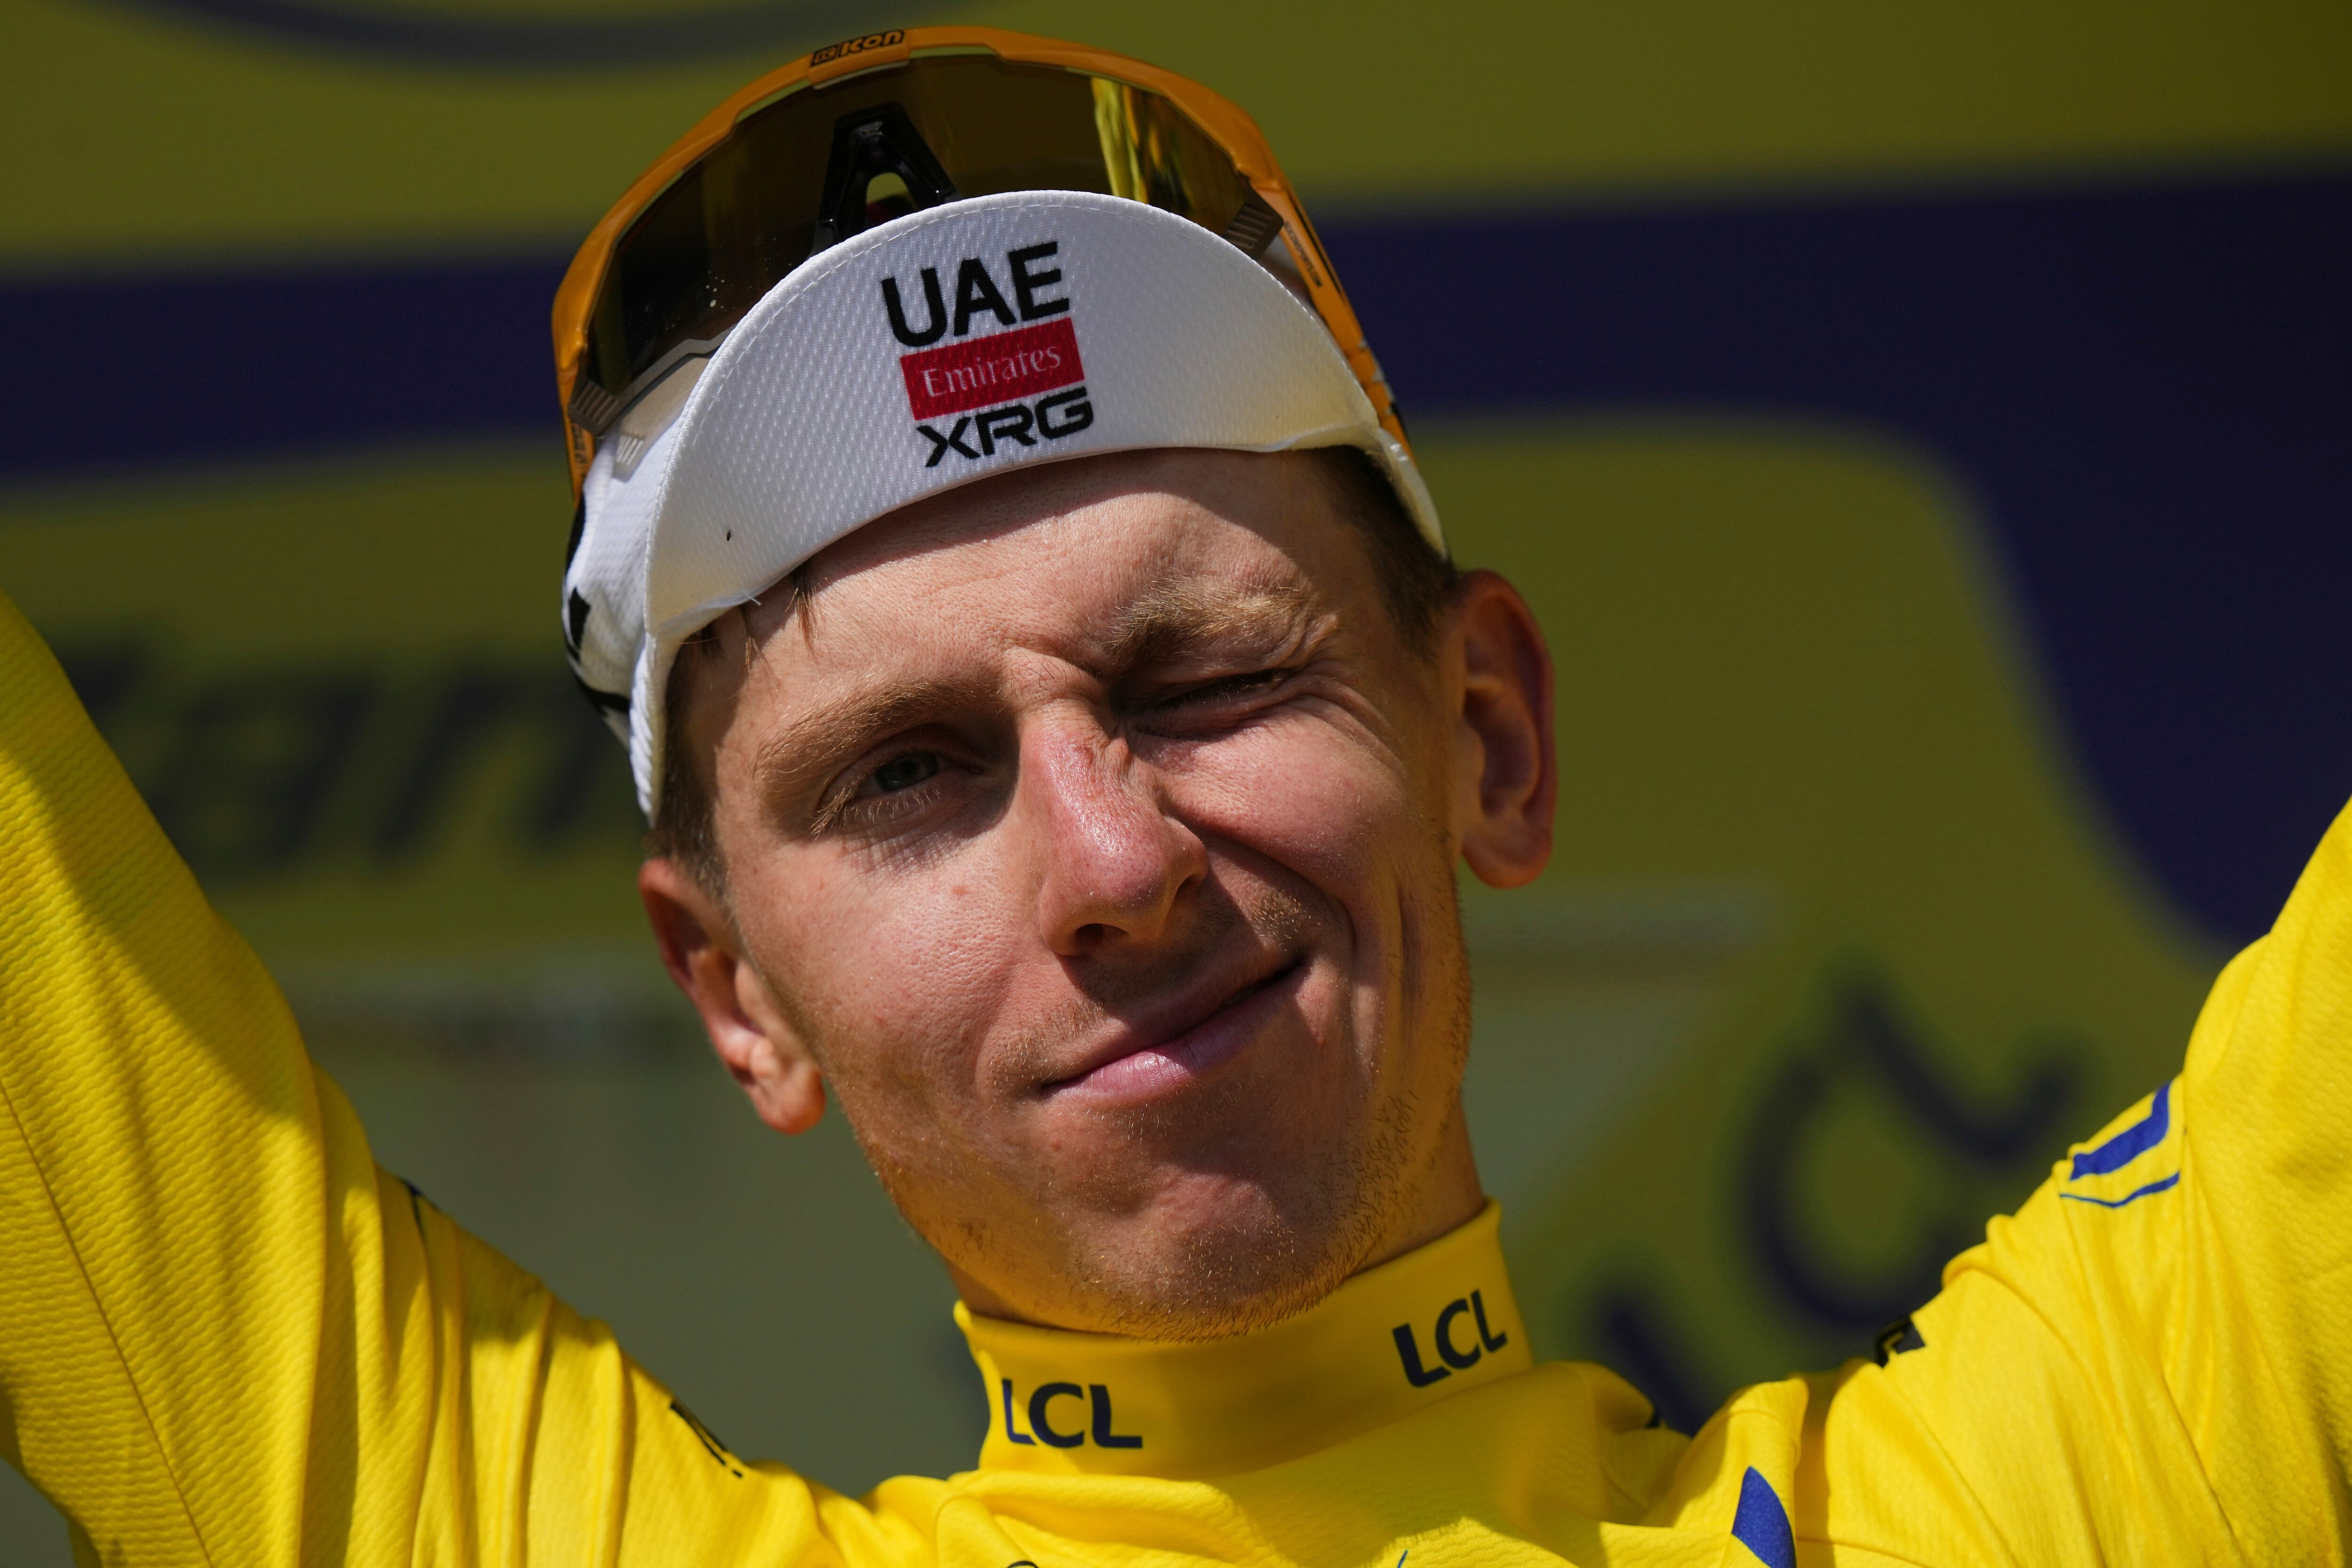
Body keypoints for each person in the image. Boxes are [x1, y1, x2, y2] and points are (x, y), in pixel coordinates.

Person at [2, 24, 2346, 1566]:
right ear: (732, 993)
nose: (1114, 863)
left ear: (1489, 737)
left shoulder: (2060, 1494)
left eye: (1203, 675)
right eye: (908, 775)